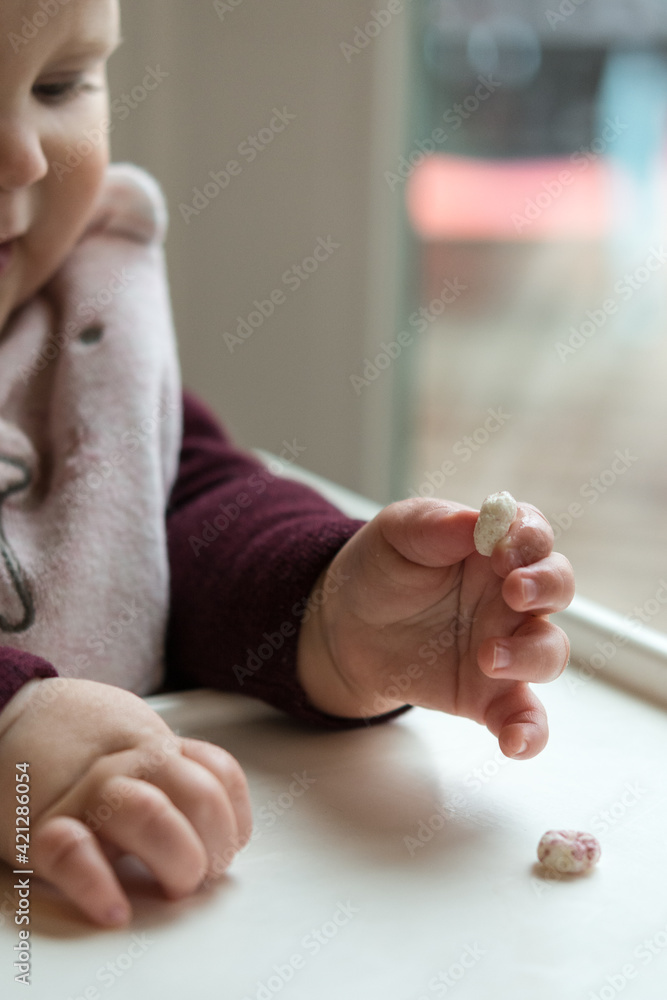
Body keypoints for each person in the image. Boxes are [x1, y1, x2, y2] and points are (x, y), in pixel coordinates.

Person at [0, 0, 574, 929]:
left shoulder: (77, 314)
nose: (24, 158)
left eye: (59, 84)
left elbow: (185, 501)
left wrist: (331, 615)